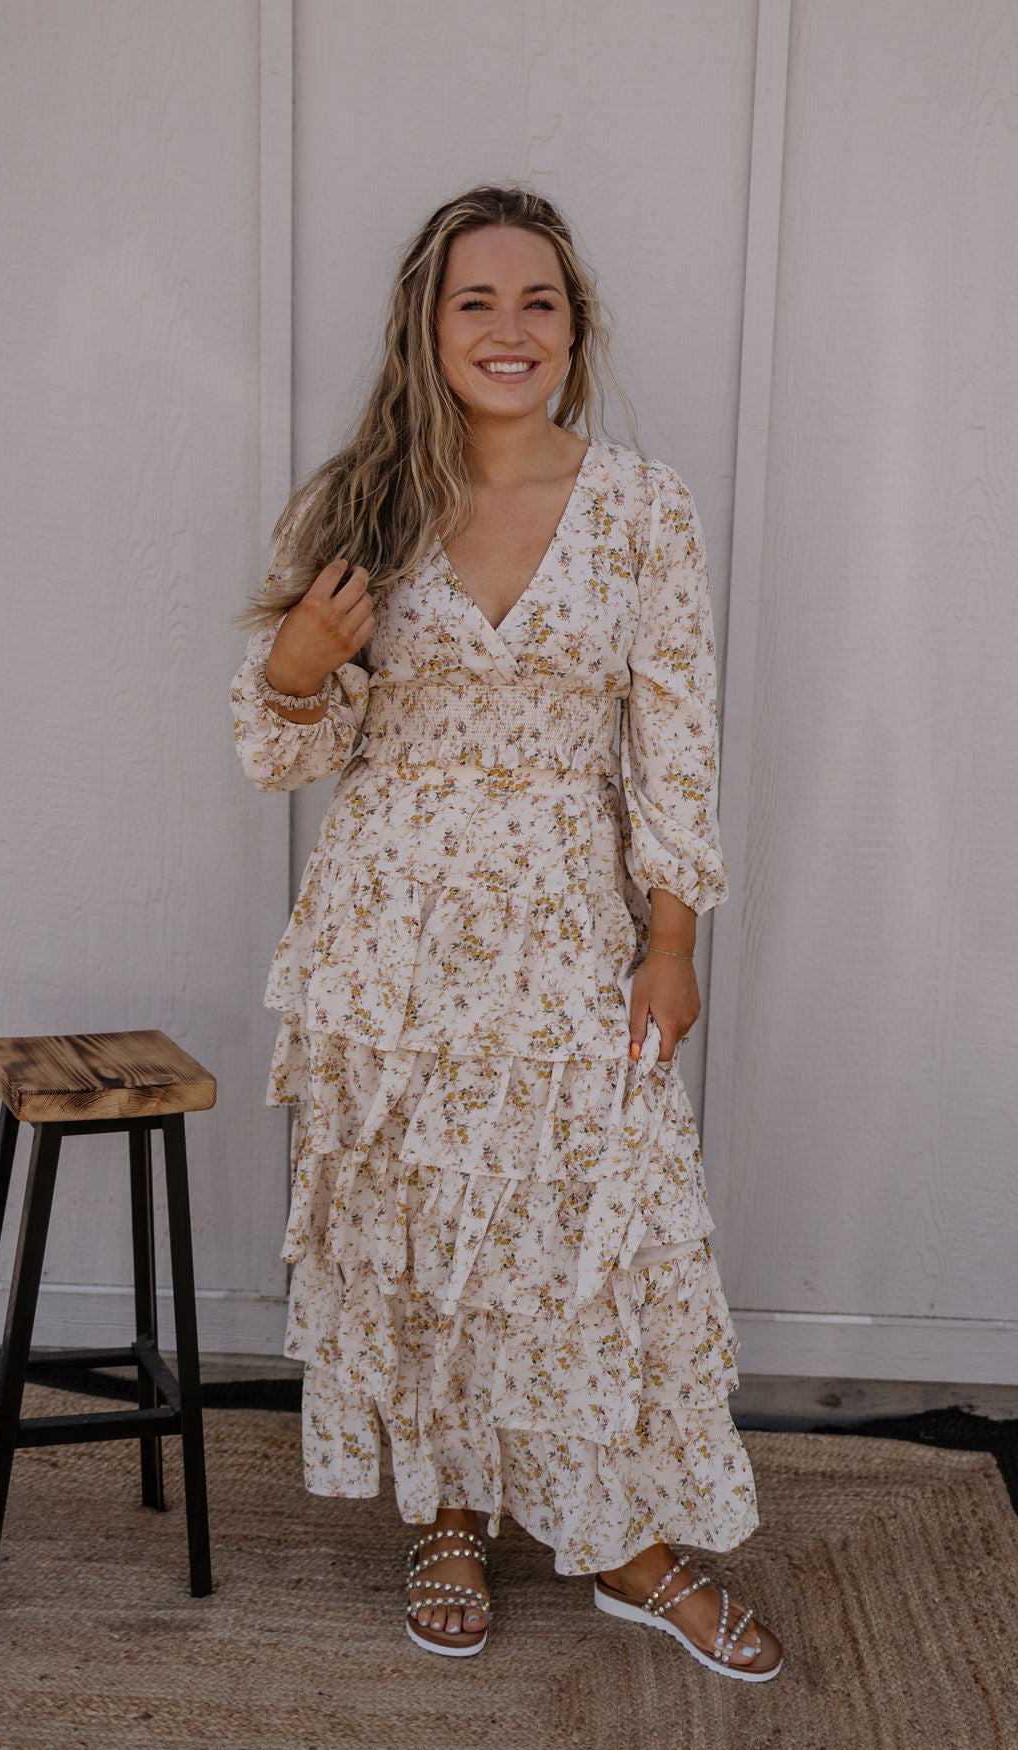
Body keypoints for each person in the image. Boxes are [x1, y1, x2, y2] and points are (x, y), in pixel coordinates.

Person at [231, 185, 782, 1681]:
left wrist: (673, 942)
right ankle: (450, 1512)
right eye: (474, 300)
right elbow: (281, 751)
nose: (508, 328)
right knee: (420, 1223)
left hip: (567, 922)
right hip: (389, 935)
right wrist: (296, 664)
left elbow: (676, 747)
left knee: (589, 1225)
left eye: (537, 300)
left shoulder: (644, 510)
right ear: (427, 326)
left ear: (574, 329)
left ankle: (626, 1543)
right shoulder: (361, 502)